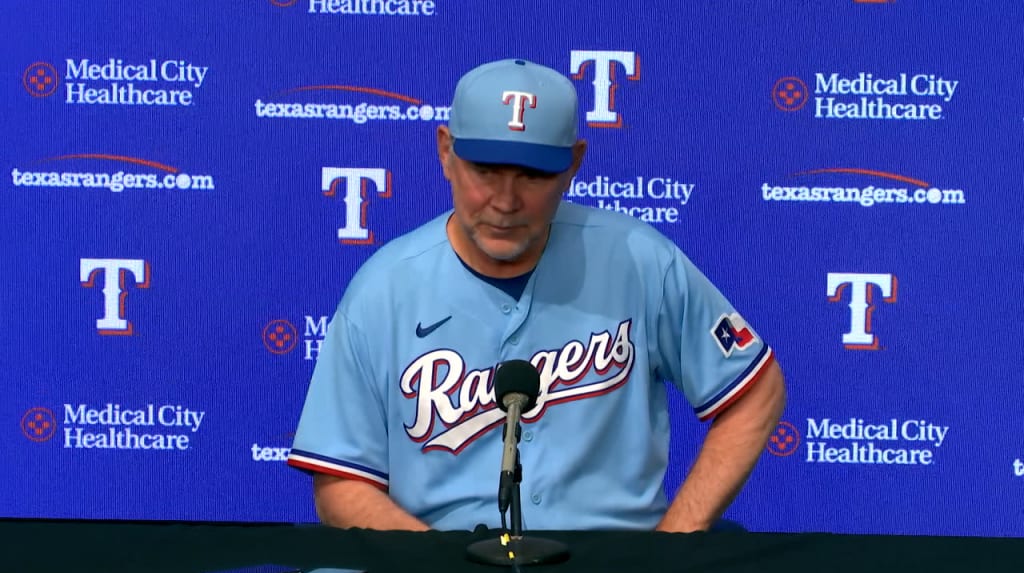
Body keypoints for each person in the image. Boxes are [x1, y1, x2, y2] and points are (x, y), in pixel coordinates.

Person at [287, 58, 786, 533]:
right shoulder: (384, 289)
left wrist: (674, 541)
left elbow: (755, 391)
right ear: (445, 152)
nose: (505, 201)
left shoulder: (639, 260)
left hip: (611, 560)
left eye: (532, 174)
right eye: (486, 169)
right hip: (438, 555)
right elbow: (341, 481)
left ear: (574, 163)